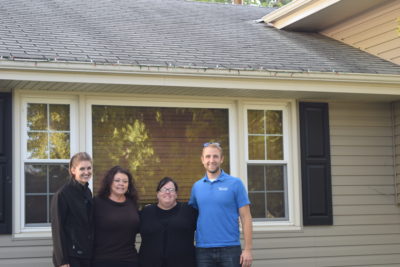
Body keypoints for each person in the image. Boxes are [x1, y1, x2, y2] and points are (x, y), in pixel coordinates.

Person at [189, 142, 253, 267]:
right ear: (202, 160)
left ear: (222, 159)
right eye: (208, 156)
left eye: (215, 156)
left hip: (230, 248)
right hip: (203, 250)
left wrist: (247, 250)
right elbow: (191, 218)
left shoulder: (235, 184)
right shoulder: (196, 187)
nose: (211, 160)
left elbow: (246, 218)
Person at [139, 177, 198, 267]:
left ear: (176, 194)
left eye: (171, 189)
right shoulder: (146, 212)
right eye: (164, 189)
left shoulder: (188, 211)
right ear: (157, 194)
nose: (167, 192)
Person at [51, 152, 94, 267]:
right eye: (82, 169)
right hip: (71, 257)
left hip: (87, 254)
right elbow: (57, 229)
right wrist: (62, 261)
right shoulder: (62, 194)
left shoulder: (88, 192)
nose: (86, 172)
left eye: (89, 168)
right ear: (73, 170)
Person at [92, 166, 140, 267]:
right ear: (109, 182)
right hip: (103, 261)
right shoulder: (97, 202)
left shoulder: (132, 203)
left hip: (130, 260)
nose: (121, 184)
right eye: (117, 180)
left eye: (125, 181)